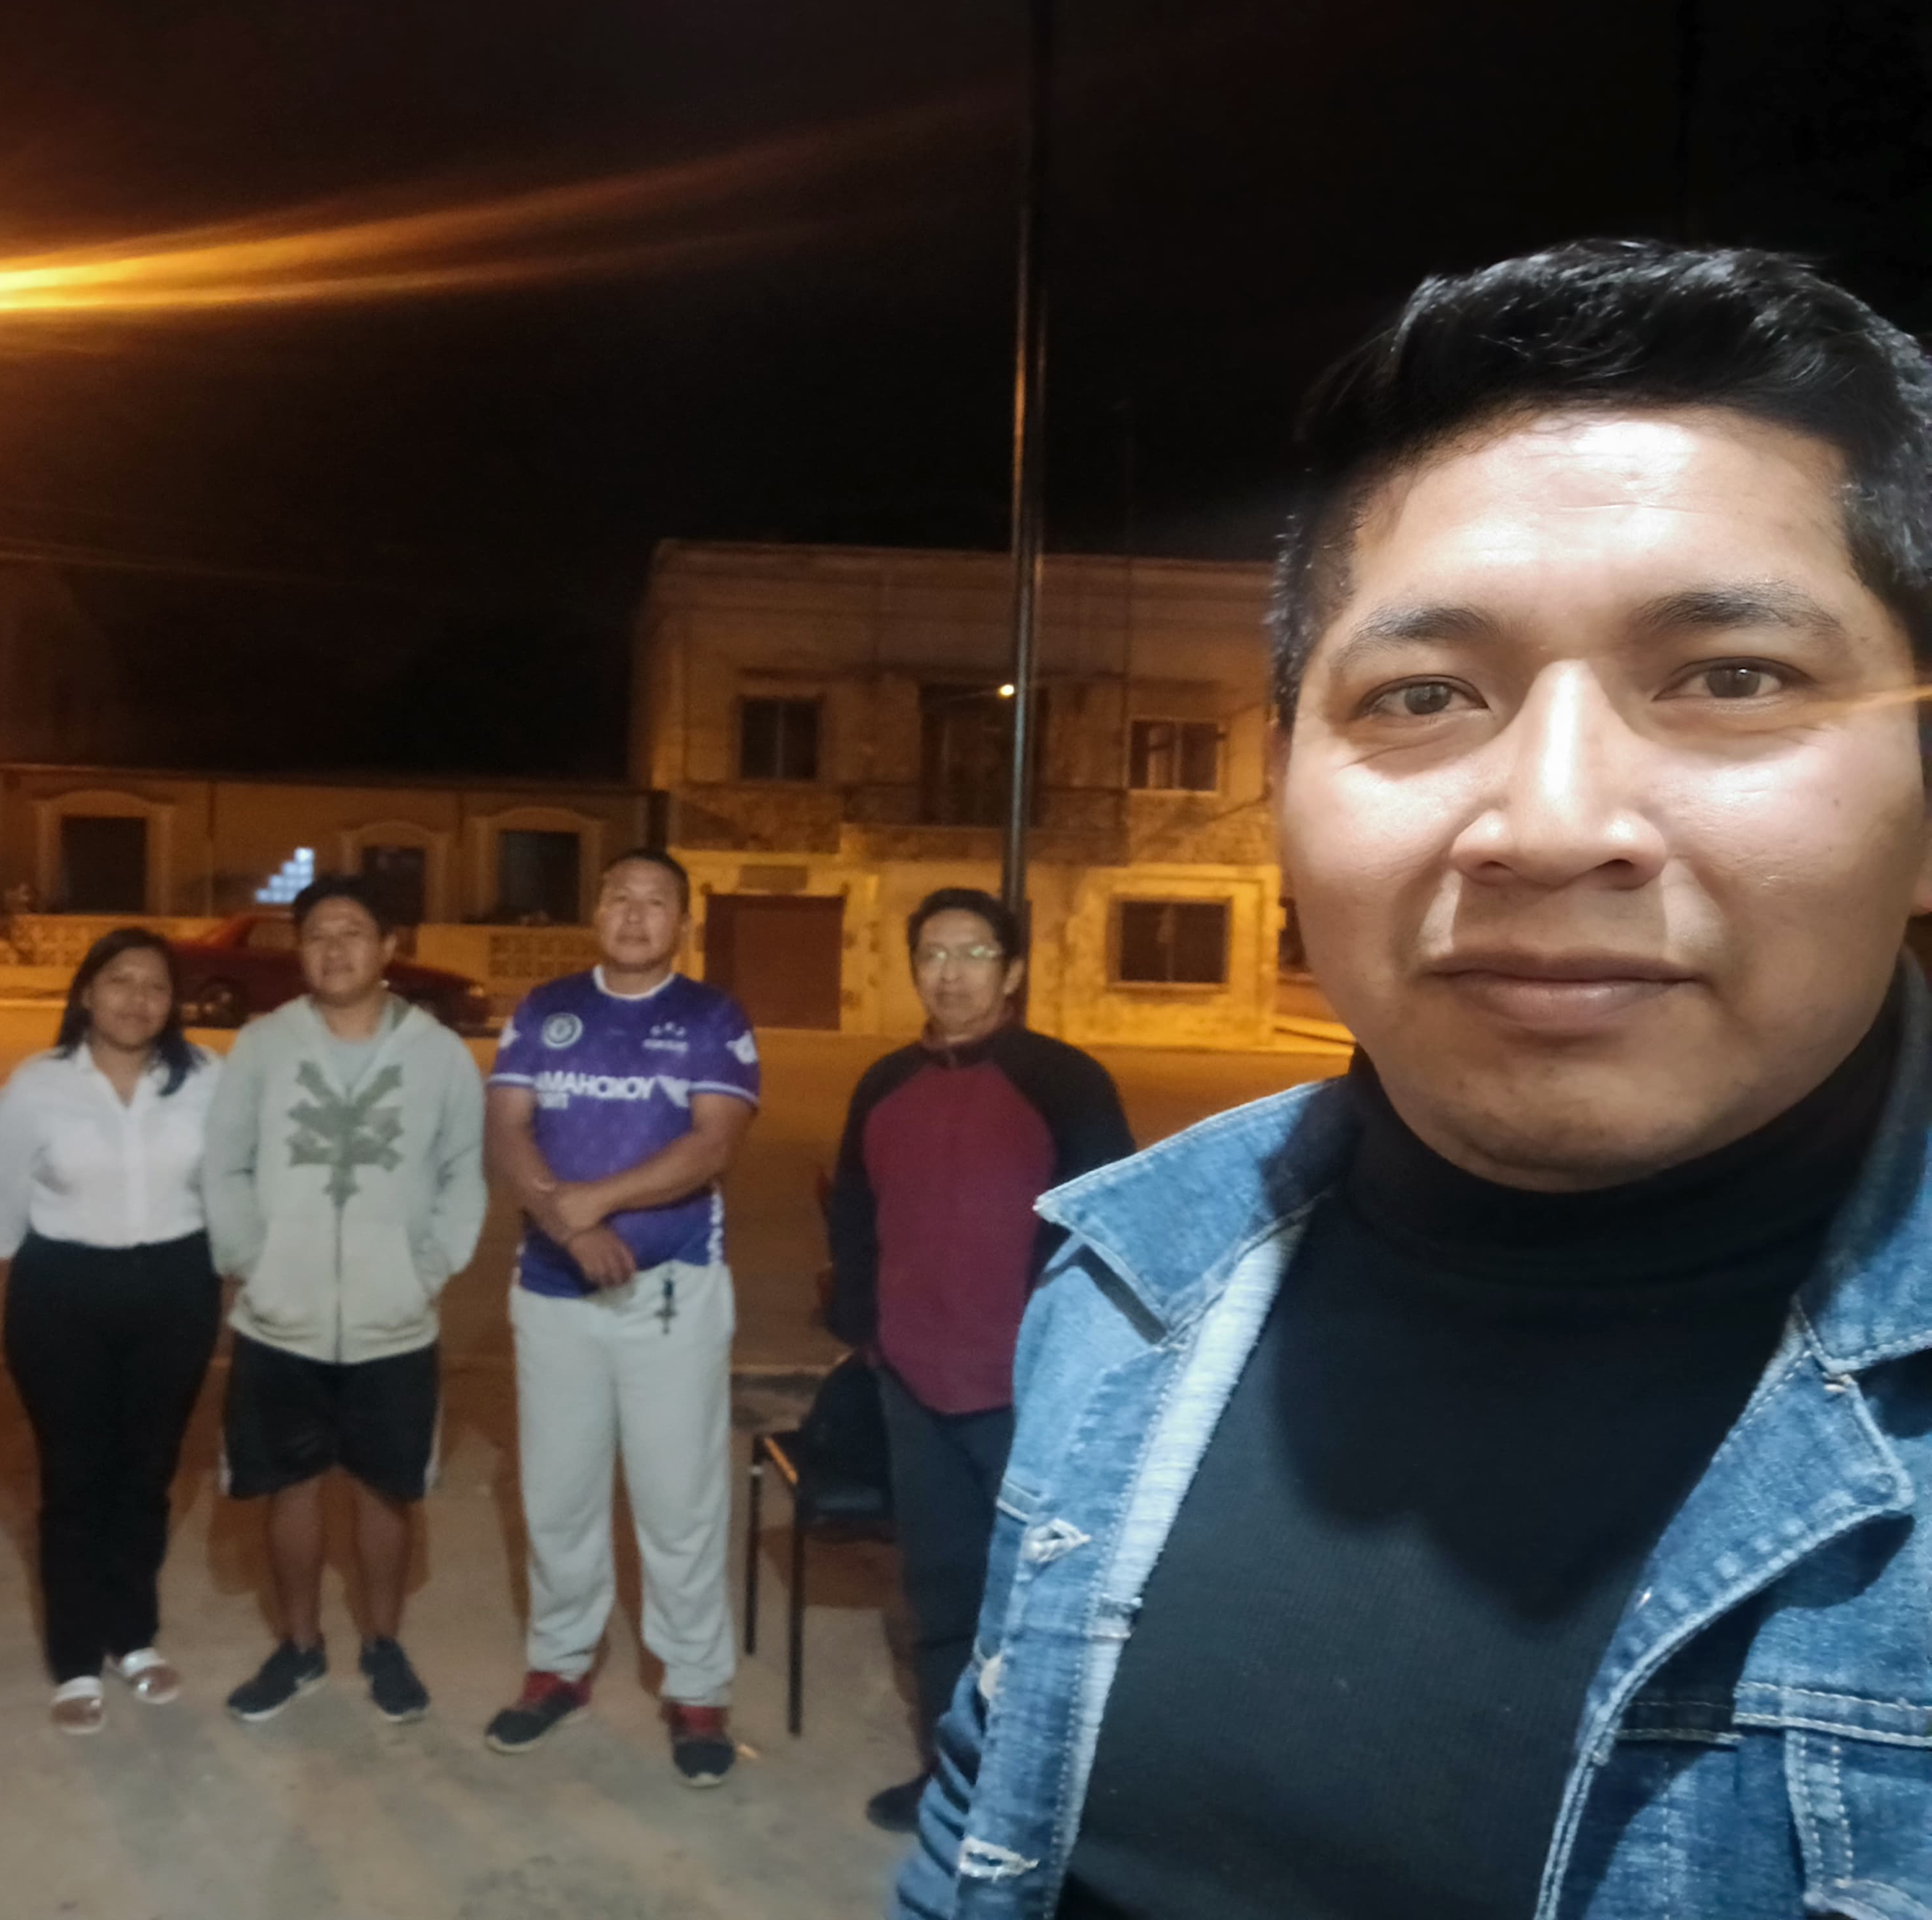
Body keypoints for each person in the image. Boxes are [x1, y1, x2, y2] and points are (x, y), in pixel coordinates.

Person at [901, 241, 1932, 1919]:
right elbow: (981, 1819)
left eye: (1730, 678)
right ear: (1284, 791)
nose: (1549, 825)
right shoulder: (1126, 1284)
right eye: (1425, 695)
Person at [827, 886, 1132, 1834]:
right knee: (942, 1590)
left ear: (1012, 971)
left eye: (972, 954)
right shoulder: (883, 1084)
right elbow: (854, 1215)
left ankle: (1044, 1798)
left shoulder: (1064, 1082)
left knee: (1046, 1601)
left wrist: (1070, 1360)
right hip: (914, 1385)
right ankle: (950, 1776)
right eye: (932, 955)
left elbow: (1107, 1228)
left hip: (1029, 1393)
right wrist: (868, 1331)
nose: (950, 975)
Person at [482, 847, 761, 1786]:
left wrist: (593, 1203)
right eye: (620, 899)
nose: (636, 916)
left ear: (682, 922)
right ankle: (560, 1667)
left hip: (671, 1292)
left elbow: (712, 1144)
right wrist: (568, 1228)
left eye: (656, 902)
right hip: (551, 1292)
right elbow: (508, 1126)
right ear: (595, 911)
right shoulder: (546, 1009)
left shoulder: (711, 1016)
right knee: (558, 1497)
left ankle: (696, 1688)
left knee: (678, 1503)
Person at [202, 875, 487, 1725]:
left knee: (383, 1489)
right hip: (279, 1317)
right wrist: (251, 1262)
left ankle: (383, 1643)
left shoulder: (438, 1054)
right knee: (288, 1486)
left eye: (353, 932)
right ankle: (298, 1647)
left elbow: (462, 1174)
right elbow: (226, 1163)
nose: (334, 949)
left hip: (392, 1320)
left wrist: (426, 1269)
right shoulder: (264, 1044)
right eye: (317, 934)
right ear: (300, 950)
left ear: (389, 947)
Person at [0, 928, 222, 1735]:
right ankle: (76, 1655)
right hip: (64, 1293)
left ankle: (133, 1636)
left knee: (147, 1475)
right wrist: (45, 1264)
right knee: (75, 1478)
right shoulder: (39, 1084)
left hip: (175, 1288)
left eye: (155, 986)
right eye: (119, 981)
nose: (136, 1000)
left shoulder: (206, 1078)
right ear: (86, 993)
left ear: (173, 1003)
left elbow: (231, 1175)